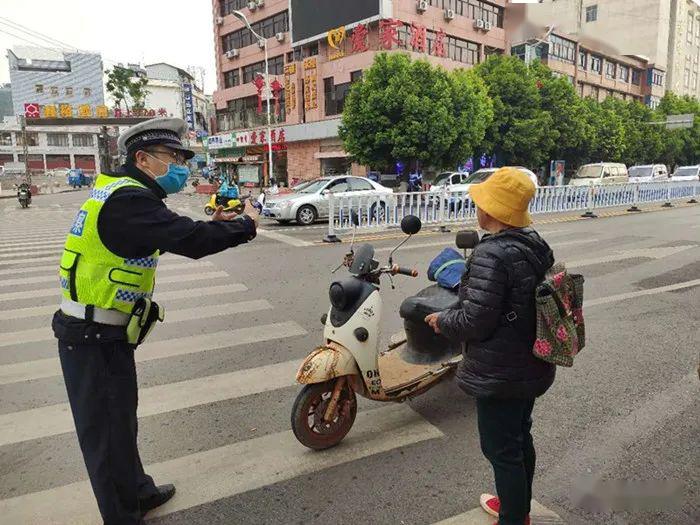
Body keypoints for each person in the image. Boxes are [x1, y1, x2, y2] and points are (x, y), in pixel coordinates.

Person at [52, 117, 260, 525]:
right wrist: (244, 226)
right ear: (143, 159)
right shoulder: (130, 200)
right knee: (107, 435)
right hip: (92, 336)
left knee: (120, 423)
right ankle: (122, 516)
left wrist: (213, 225)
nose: (181, 164)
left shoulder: (121, 194)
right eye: (173, 157)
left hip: (102, 333)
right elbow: (192, 241)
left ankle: (138, 493)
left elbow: (148, 241)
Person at [425, 167, 555, 525]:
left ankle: (514, 517)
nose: (477, 209)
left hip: (500, 371)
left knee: (501, 449)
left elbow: (475, 321)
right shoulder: (533, 243)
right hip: (529, 361)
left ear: (493, 211)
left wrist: (441, 322)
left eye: (482, 203)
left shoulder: (491, 254)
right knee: (518, 437)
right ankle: (517, 505)